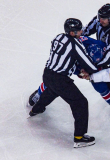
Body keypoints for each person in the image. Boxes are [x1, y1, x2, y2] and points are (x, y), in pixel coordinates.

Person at [28, 18, 98, 148]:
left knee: (52, 91)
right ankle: (79, 137)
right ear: (72, 33)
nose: (81, 31)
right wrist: (90, 71)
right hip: (60, 79)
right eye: (78, 30)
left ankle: (35, 110)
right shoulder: (75, 44)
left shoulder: (58, 37)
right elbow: (89, 65)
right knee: (80, 103)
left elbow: (63, 56)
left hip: (47, 74)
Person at [28, 36, 110, 119]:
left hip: (98, 69)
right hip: (80, 64)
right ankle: (39, 93)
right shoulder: (79, 51)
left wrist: (104, 71)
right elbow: (72, 65)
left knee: (101, 87)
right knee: (56, 77)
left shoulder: (104, 50)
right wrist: (79, 72)